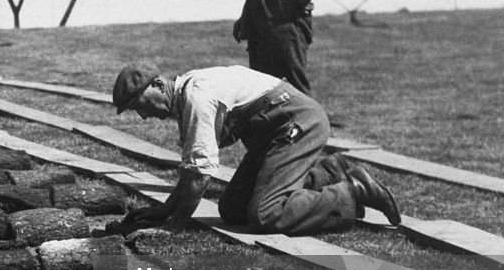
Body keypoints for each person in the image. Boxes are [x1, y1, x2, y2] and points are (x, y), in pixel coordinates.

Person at [108, 64, 401, 236]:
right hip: (275, 133)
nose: (143, 115)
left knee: (266, 214)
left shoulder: (196, 99)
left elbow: (200, 175)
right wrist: (163, 211)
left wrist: (174, 227)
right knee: (232, 209)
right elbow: (191, 172)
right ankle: (329, 173)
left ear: (158, 84)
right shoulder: (188, 93)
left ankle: (353, 191)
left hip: (297, 124)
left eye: (139, 105)